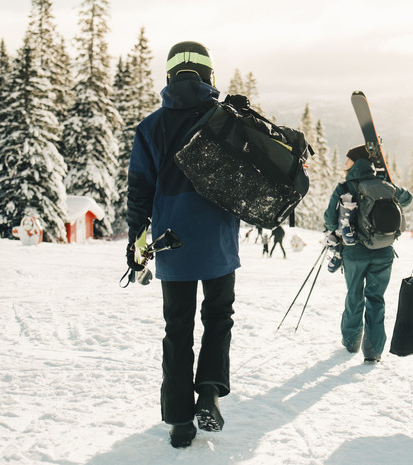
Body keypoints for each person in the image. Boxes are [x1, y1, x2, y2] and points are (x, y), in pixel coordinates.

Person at [126, 41, 239, 448]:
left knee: (177, 328)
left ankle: (178, 420)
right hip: (218, 239)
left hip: (171, 241)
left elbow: (140, 188)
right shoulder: (224, 118)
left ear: (171, 76)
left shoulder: (151, 126)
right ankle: (209, 391)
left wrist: (136, 238)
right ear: (209, 75)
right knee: (218, 317)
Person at [323, 146, 412, 363]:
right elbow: (407, 199)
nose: (345, 164)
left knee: (354, 295)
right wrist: (388, 184)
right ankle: (373, 352)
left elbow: (329, 219)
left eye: (348, 160)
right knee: (376, 298)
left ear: (355, 163)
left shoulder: (345, 187)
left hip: (354, 252)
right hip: (383, 252)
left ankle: (351, 341)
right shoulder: (384, 185)